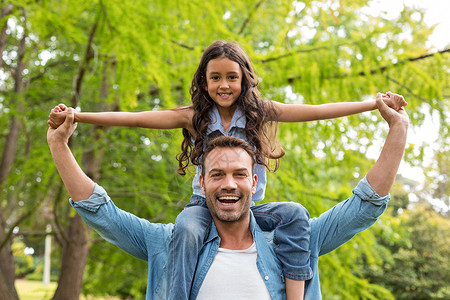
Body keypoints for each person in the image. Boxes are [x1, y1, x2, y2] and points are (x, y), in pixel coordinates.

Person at [48, 40, 406, 299]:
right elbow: (137, 120)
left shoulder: (260, 112)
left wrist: (373, 106)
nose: (223, 85)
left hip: (259, 213)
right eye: (214, 78)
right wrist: (76, 118)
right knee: (187, 228)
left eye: (231, 77)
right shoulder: (193, 118)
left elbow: (315, 110)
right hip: (200, 211)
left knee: (295, 214)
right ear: (203, 180)